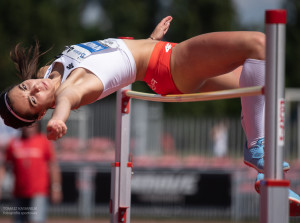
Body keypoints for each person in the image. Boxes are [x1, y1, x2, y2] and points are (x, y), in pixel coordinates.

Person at [0, 16, 299, 212]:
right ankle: (256, 147)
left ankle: (263, 171)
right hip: (169, 65)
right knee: (260, 45)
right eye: (33, 100)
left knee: (254, 84)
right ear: (40, 114)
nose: (33, 89)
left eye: (25, 88)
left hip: (159, 58)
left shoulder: (47, 72)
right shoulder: (70, 91)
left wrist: (147, 41)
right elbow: (67, 100)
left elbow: (113, 59)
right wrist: (58, 119)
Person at [0, 123, 62, 223]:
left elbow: (53, 166)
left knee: (36, 220)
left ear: (37, 126)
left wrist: (56, 188)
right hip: (19, 192)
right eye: (26, 125)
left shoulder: (44, 141)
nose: (29, 128)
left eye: (32, 125)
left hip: (39, 191)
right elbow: (4, 166)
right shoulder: (14, 143)